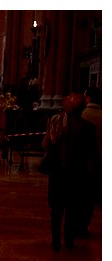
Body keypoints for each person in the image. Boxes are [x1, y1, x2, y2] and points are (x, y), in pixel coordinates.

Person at [42, 94, 97, 251]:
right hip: (76, 173)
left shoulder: (55, 122)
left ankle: (56, 239)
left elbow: (46, 144)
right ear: (82, 109)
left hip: (58, 172)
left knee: (57, 208)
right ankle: (69, 238)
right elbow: (92, 153)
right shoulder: (88, 128)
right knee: (72, 208)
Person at [80, 86, 102, 236]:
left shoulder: (81, 115)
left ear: (88, 98)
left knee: (79, 195)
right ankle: (85, 225)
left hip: (81, 161)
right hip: (99, 161)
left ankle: (77, 226)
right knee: (91, 196)